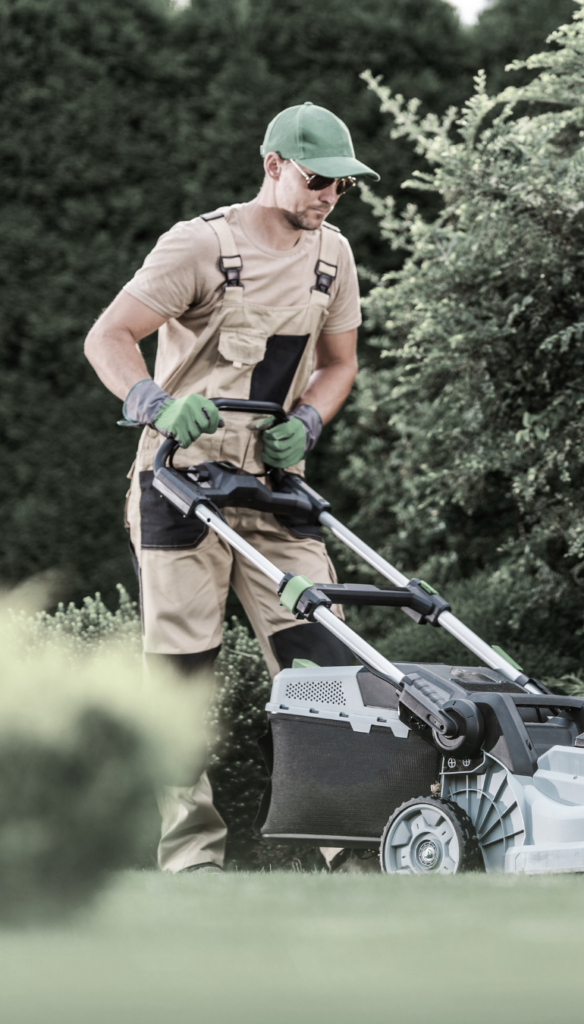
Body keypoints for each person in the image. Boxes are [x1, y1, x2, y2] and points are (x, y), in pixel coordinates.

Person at [84, 102, 378, 873]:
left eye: (342, 187)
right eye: (317, 180)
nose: (329, 198)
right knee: (181, 675)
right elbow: (108, 336)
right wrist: (153, 403)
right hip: (180, 482)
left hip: (274, 486)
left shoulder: (333, 256)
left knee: (322, 663)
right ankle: (192, 859)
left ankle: (343, 847)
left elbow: (339, 363)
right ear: (274, 164)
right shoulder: (200, 246)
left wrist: (308, 421)